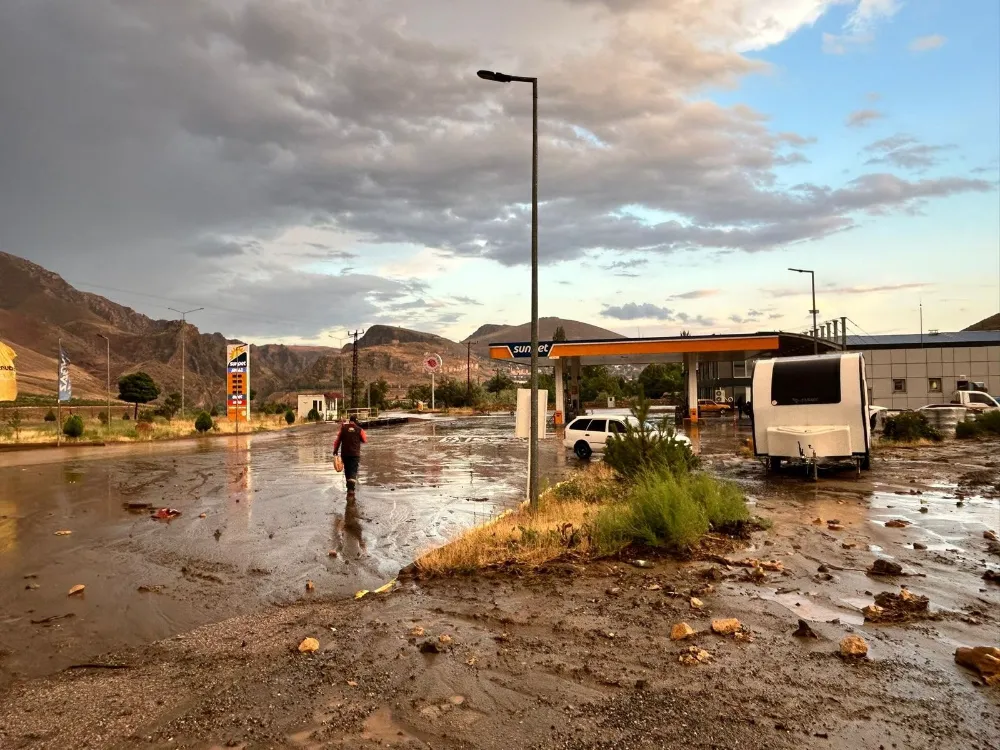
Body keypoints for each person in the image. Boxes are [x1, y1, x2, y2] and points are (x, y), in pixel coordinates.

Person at [333, 415, 367, 492]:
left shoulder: (343, 429)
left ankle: (349, 487)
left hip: (345, 454)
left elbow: (337, 441)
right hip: (355, 454)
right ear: (356, 422)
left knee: (347, 469)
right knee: (353, 470)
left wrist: (335, 451)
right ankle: (351, 488)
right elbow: (364, 440)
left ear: (350, 421)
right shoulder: (359, 430)